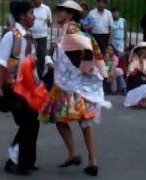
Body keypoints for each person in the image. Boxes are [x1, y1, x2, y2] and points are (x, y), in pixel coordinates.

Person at [39, 0, 111, 177]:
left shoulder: (71, 30)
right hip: (77, 83)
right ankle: (91, 160)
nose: (58, 13)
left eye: (62, 11)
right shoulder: (71, 30)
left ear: (70, 14)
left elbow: (86, 50)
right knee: (84, 122)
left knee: (58, 118)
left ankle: (73, 152)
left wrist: (84, 66)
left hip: (71, 84)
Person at [0, 1, 43, 176]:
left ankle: (27, 160)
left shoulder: (29, 38)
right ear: (22, 16)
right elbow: (0, 62)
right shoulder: (11, 36)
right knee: (27, 122)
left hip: (28, 88)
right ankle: (14, 160)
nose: (34, 16)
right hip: (13, 87)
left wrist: (38, 85)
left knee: (33, 122)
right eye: (31, 13)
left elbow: (32, 64)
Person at [124, 41, 146, 108]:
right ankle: (143, 101)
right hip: (135, 87)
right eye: (141, 49)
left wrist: (144, 67)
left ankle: (145, 100)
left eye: (145, 49)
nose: (143, 51)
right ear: (137, 51)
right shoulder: (134, 62)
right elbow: (131, 75)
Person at [30, 0, 52, 78]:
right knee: (31, 56)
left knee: (41, 56)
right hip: (30, 36)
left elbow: (49, 22)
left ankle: (40, 75)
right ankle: (30, 74)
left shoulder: (46, 9)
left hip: (42, 36)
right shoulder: (29, 8)